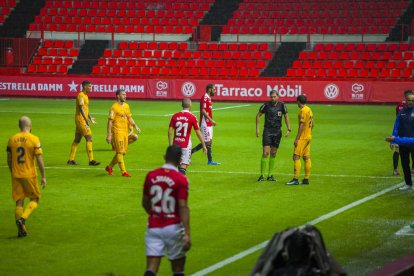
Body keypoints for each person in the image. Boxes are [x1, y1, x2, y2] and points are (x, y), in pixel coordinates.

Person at [142, 145, 191, 276]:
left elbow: (145, 202)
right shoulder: (181, 179)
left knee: (151, 267)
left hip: (153, 226)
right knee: (178, 268)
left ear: (164, 157)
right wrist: (187, 233)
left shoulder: (150, 176)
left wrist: (156, 214)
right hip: (173, 227)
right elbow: (183, 207)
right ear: (180, 160)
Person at [6, 116, 46, 237]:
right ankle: (23, 218)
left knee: (19, 202)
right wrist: (43, 176)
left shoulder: (11, 139)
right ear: (30, 126)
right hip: (29, 175)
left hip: (16, 175)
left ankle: (21, 230)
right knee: (35, 199)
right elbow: (39, 159)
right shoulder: (34, 139)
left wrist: (12, 172)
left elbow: (9, 159)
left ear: (19, 126)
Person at [256, 90, 291, 182]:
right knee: (265, 152)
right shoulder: (266, 105)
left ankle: (270, 175)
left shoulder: (282, 105)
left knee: (274, 153)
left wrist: (289, 128)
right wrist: (257, 129)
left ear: (278, 97)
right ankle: (262, 175)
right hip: (267, 131)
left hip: (277, 131)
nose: (273, 98)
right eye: (271, 97)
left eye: (274, 96)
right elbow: (258, 116)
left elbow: (286, 116)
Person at [105, 89, 141, 177]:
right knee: (120, 152)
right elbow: (110, 121)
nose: (125, 96)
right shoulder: (114, 107)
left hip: (125, 132)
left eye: (125, 94)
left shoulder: (126, 106)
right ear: (118, 96)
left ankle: (109, 167)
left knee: (122, 152)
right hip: (117, 132)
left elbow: (129, 117)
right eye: (123, 94)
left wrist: (135, 126)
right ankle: (124, 172)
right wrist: (109, 134)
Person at [168, 98, 207, 175]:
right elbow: (198, 132)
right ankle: (180, 183)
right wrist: (204, 145)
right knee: (183, 167)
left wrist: (170, 145)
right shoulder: (192, 117)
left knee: (177, 165)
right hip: (186, 145)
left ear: (182, 105)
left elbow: (169, 132)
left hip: (176, 145)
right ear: (190, 105)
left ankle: (175, 183)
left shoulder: (175, 116)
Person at [67, 80, 100, 166]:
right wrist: (86, 119)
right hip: (81, 120)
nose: (91, 88)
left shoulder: (85, 96)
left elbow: (85, 109)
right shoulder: (81, 95)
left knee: (77, 139)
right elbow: (81, 108)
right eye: (89, 86)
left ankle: (71, 159)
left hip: (81, 119)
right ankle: (91, 160)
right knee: (89, 138)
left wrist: (90, 117)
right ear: (85, 87)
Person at [287, 95, 314, 185]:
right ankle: (306, 179)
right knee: (306, 157)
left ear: (298, 101)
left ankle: (295, 179)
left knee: (296, 156)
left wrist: (297, 138)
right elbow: (312, 124)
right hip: (308, 136)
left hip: (303, 137)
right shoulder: (309, 109)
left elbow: (301, 125)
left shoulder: (303, 111)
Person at [191, 84, 221, 165]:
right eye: (214, 89)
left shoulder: (208, 98)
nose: (215, 91)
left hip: (209, 124)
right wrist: (211, 120)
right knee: (207, 142)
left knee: (209, 142)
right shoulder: (204, 98)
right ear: (209, 89)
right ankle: (190, 153)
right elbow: (203, 111)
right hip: (205, 123)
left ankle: (210, 161)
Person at [390, 93, 414, 190]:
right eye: (409, 100)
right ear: (405, 100)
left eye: (413, 101)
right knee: (405, 163)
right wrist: (393, 140)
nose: (411, 102)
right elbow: (396, 126)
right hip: (403, 142)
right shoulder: (401, 112)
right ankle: (408, 184)